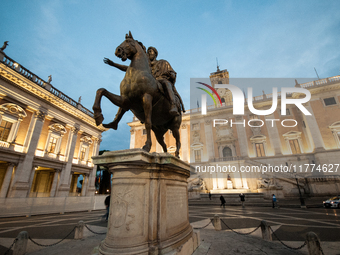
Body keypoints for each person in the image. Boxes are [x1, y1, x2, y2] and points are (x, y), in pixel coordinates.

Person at [147, 46, 185, 116]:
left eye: (150, 51)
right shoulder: (146, 66)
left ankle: (173, 105)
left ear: (155, 54)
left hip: (161, 80)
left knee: (166, 83)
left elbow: (172, 71)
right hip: (150, 82)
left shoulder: (163, 62)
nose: (149, 53)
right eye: (148, 52)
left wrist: (171, 74)